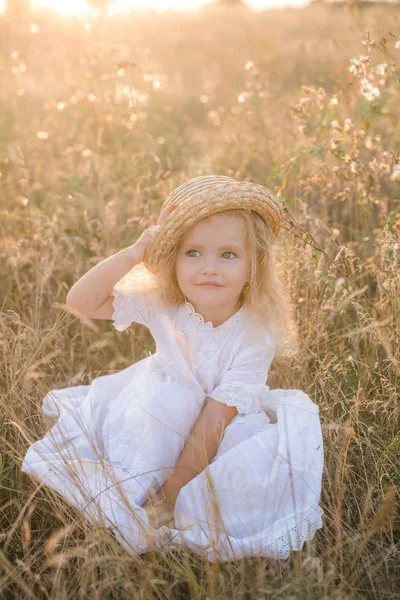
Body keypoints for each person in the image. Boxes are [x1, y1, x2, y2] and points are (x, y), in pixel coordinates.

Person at [21, 175, 325, 562]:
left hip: (220, 427)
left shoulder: (255, 333)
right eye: (193, 252)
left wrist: (173, 490)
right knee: (122, 474)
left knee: (227, 492)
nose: (209, 268)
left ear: (254, 266)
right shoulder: (163, 301)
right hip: (155, 410)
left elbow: (217, 416)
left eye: (228, 255)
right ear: (173, 260)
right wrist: (133, 253)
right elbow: (80, 303)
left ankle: (176, 499)